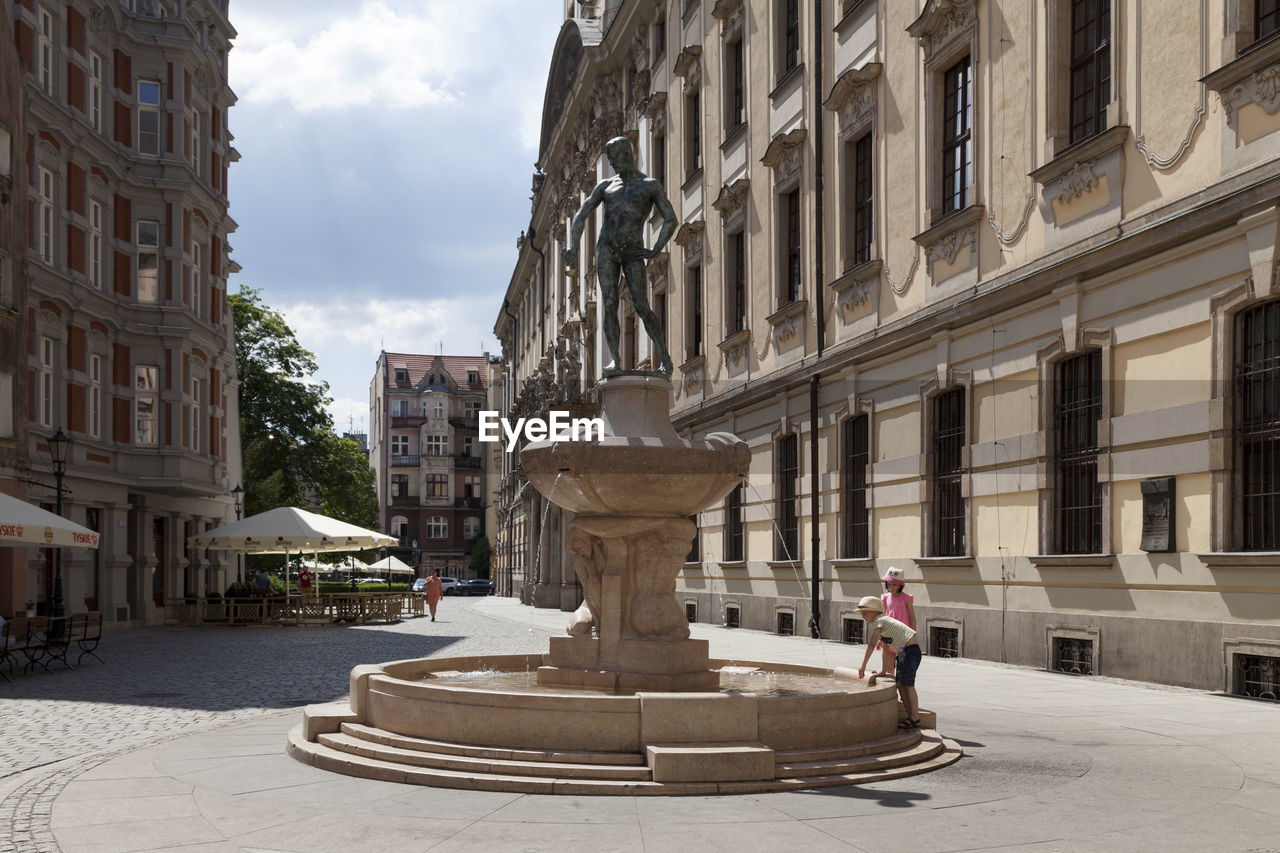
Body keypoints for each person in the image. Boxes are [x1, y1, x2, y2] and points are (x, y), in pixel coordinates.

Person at [563, 136, 679, 376]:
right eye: (611, 160)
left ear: (627, 154)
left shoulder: (649, 185)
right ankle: (615, 360)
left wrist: (656, 248)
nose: (613, 163)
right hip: (606, 248)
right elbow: (580, 216)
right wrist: (574, 247)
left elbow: (671, 219)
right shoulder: (606, 186)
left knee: (642, 305)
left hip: (632, 249)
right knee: (609, 303)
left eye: (615, 158)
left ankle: (664, 357)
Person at [854, 595, 924, 730]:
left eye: (865, 613)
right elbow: (885, 650)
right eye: (861, 614)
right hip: (904, 651)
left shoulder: (879, 621)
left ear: (875, 611)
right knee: (900, 683)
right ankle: (912, 717)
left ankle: (915, 717)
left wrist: (863, 666)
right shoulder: (883, 624)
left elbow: (871, 644)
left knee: (908, 684)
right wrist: (883, 671)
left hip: (910, 651)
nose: (863, 616)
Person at [875, 566, 916, 681]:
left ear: (901, 585)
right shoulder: (885, 598)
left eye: (894, 584)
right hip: (888, 636)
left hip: (903, 637)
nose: (891, 587)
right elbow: (883, 618)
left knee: (902, 666)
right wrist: (880, 637)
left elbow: (912, 617)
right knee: (889, 667)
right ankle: (892, 693)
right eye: (889, 584)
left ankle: (903, 692)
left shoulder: (906, 598)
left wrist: (913, 635)